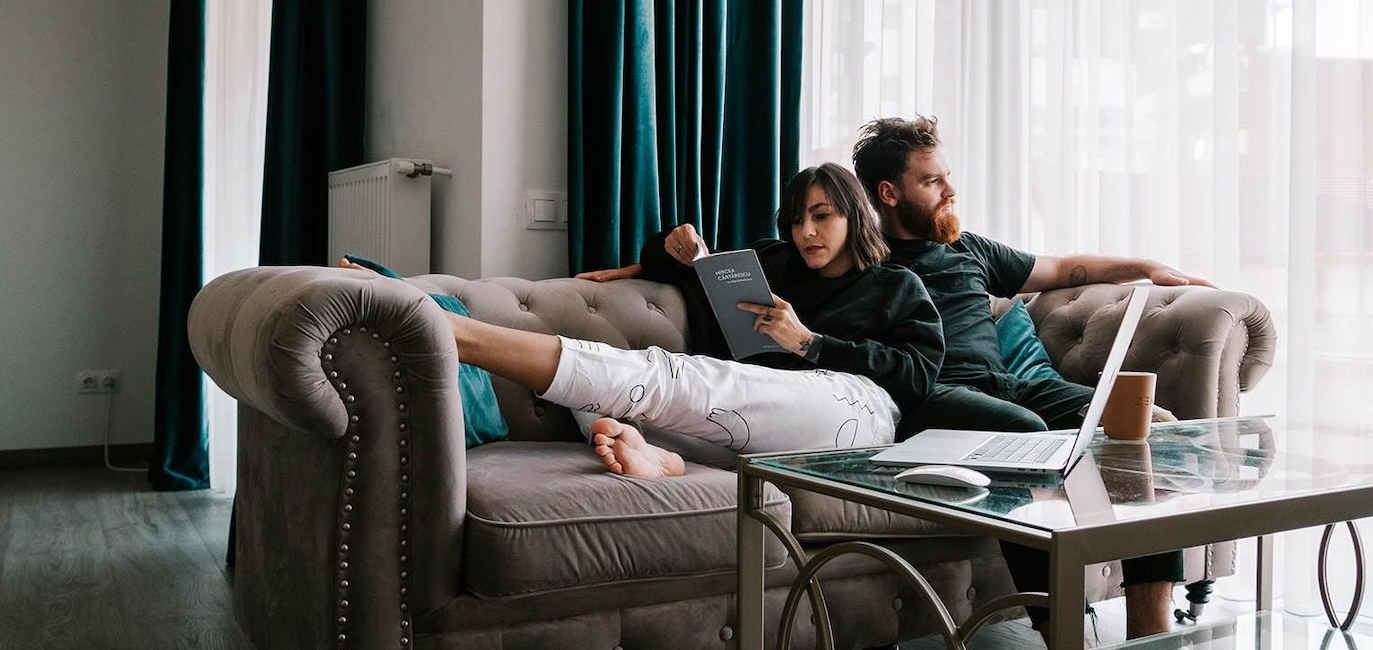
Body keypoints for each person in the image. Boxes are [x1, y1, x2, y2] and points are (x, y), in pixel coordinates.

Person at [851, 115, 1215, 639]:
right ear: (889, 193)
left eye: (946, 175)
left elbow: (1067, 268)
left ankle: (1148, 633)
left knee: (1141, 427)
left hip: (1009, 384)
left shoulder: (967, 249)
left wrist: (1148, 266)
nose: (950, 189)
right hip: (936, 394)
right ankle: (1058, 633)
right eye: (932, 181)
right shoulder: (863, 262)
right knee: (1024, 435)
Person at [351, 162, 943, 478]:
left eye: (822, 216)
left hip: (855, 410)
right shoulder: (773, 263)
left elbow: (916, 377)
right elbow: (676, 264)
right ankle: (664, 457)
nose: (806, 232)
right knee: (604, 400)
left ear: (855, 215)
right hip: (759, 422)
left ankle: (451, 330)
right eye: (796, 220)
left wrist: (809, 343)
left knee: (670, 377)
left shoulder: (896, 286)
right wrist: (680, 245)